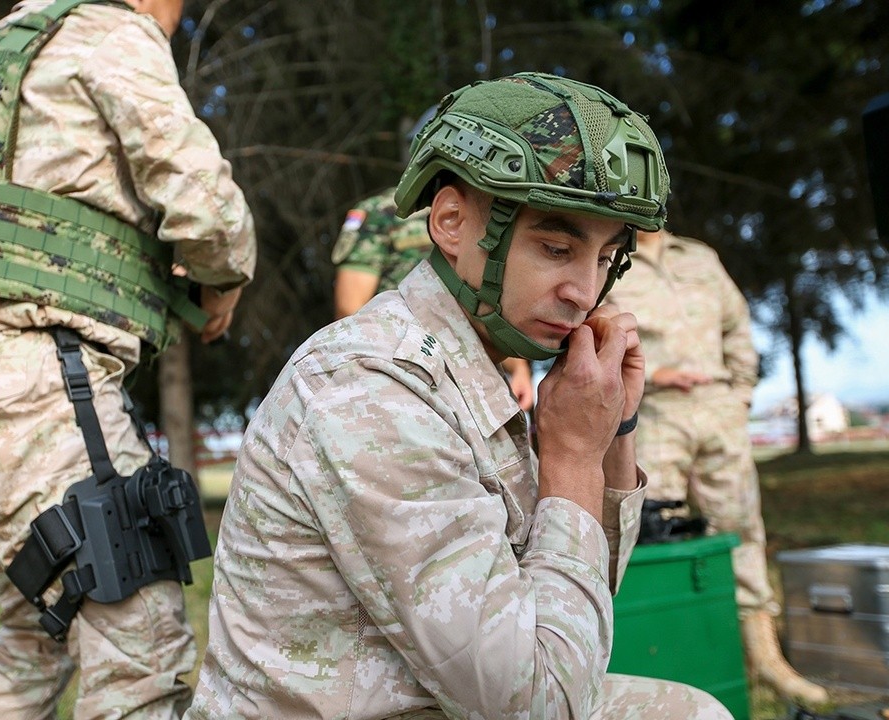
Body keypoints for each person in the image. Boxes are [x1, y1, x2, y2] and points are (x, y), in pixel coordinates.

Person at [186, 73, 732, 719]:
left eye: (605, 258)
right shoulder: (370, 389)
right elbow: (538, 703)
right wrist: (573, 459)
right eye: (556, 248)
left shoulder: (464, 368)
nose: (585, 293)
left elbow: (575, 608)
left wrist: (614, 427)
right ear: (450, 221)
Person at [0, 0, 256, 717]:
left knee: (37, 625)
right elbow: (205, 205)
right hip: (26, 377)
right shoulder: (109, 31)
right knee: (135, 636)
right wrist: (222, 280)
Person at [604, 227, 828, 706]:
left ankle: (766, 663)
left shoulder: (701, 257)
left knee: (741, 530)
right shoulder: (609, 251)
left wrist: (738, 397)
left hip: (717, 410)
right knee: (650, 535)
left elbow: (737, 326)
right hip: (653, 411)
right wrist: (652, 376)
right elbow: (592, 327)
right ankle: (666, 659)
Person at [332, 186, 535, 410]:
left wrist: (519, 369)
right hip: (398, 366)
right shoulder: (380, 212)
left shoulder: (482, 205)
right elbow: (349, 307)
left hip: (468, 375)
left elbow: (482, 303)